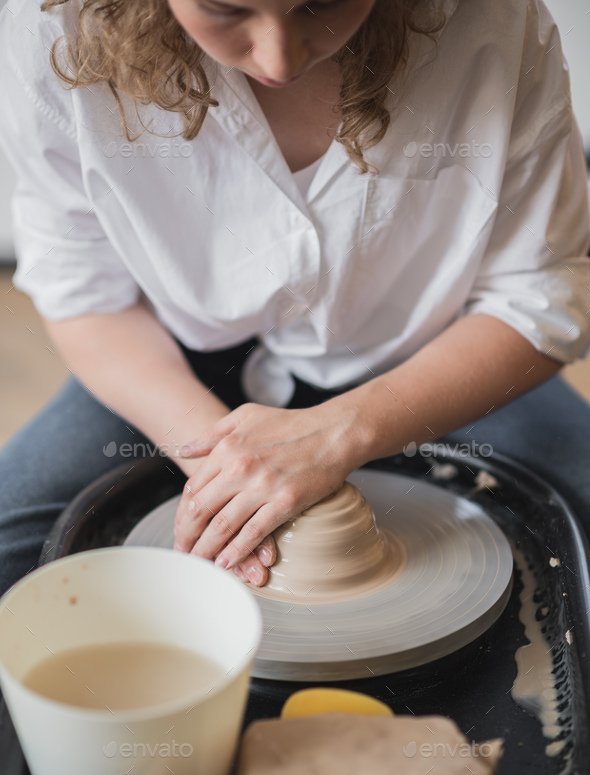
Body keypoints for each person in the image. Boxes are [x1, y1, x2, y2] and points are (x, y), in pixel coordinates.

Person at [0, 0, 589, 598]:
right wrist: (225, 471)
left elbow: (541, 291)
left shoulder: (493, 20)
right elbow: (85, 292)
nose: (280, 57)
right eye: (225, 9)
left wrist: (345, 431)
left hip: (432, 355)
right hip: (173, 361)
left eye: (321, 3)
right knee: (10, 549)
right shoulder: (58, 30)